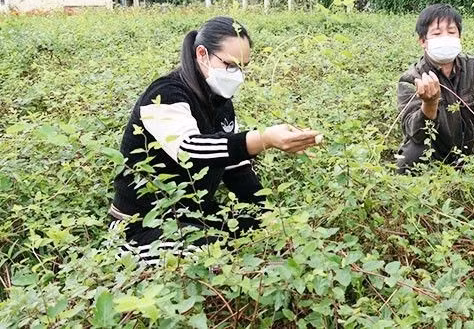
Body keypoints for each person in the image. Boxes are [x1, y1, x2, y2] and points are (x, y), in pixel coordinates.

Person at [109, 16, 320, 248]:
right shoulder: (165, 94)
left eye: (243, 67)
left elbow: (236, 167)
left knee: (258, 229)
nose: (237, 75)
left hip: (193, 213)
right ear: (202, 54)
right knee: (211, 255)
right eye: (230, 65)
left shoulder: (220, 100)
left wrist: (267, 215)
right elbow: (191, 150)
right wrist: (263, 139)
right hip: (144, 222)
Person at [396, 4, 474, 174]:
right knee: (408, 160)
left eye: (451, 32)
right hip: (434, 154)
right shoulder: (411, 79)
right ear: (423, 41)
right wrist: (429, 105)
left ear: (460, 37)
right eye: (437, 33)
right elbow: (414, 133)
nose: (445, 38)